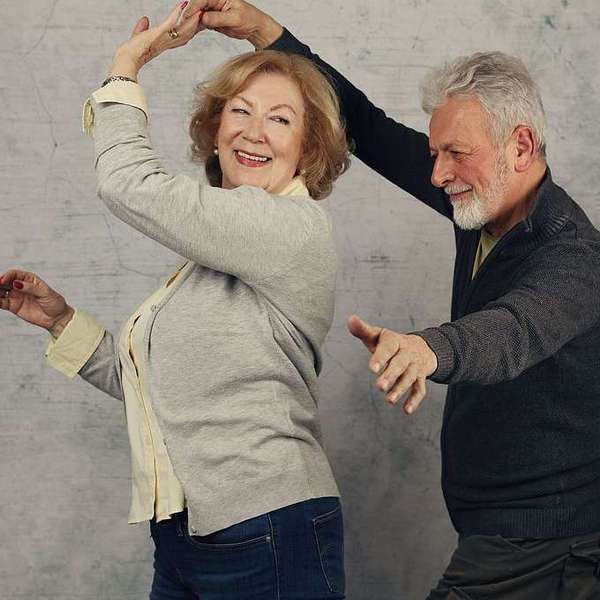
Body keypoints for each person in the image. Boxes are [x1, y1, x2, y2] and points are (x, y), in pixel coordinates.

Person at [195, 1, 600, 598]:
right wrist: (268, 34)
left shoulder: (574, 255)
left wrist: (428, 348)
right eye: (436, 153)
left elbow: (514, 330)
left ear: (521, 146)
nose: (437, 174)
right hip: (498, 526)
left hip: (548, 540)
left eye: (454, 153)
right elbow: (370, 128)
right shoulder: (483, 204)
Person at [0, 4, 351, 599]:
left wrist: (127, 65)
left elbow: (127, 183)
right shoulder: (207, 259)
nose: (254, 131)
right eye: (239, 111)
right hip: (187, 538)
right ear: (215, 129)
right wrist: (60, 322)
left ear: (309, 146)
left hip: (265, 530)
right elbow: (164, 390)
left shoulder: (292, 228)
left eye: (280, 119)